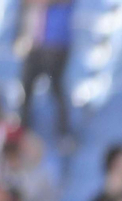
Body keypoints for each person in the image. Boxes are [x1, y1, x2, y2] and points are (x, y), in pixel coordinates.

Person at [18, 1, 74, 142]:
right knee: (26, 85)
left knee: (56, 85)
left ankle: (64, 131)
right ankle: (23, 127)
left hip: (56, 44)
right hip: (34, 43)